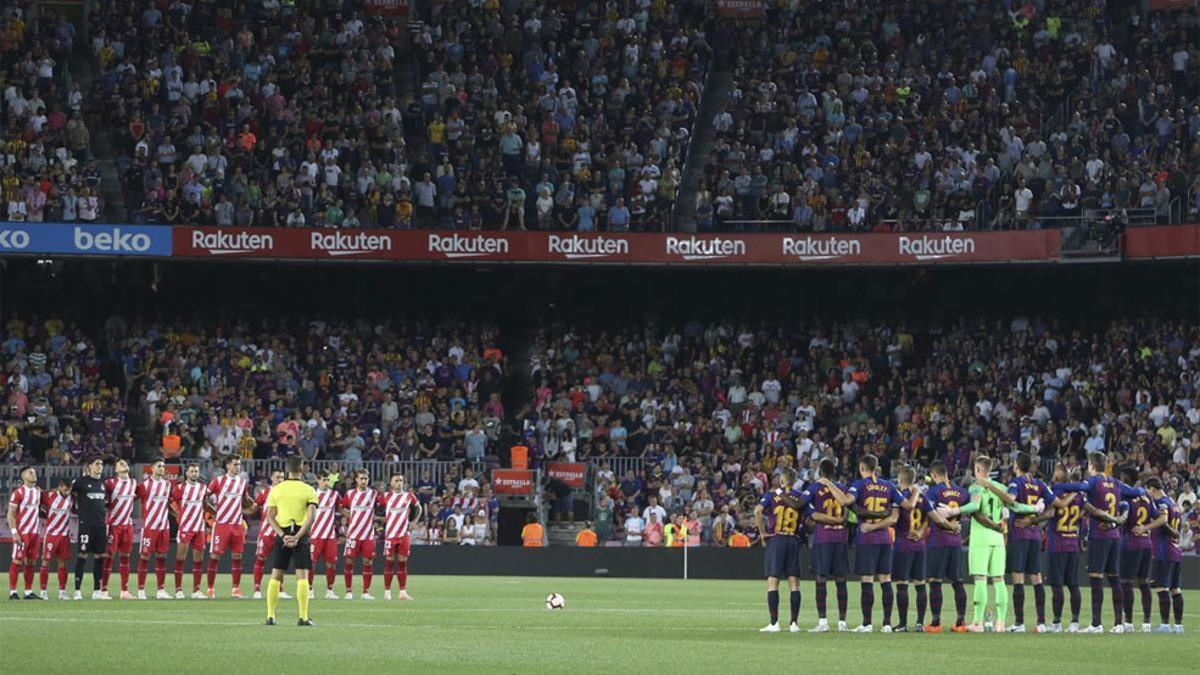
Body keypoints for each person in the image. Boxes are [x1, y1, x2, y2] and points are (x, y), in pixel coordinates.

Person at [939, 455, 1040, 632]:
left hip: (981, 538)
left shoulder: (976, 487)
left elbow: (975, 506)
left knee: (980, 579)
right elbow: (1015, 506)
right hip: (998, 538)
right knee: (999, 580)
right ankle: (1000, 623)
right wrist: (1034, 508)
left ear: (978, 470)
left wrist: (953, 510)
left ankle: (978, 622)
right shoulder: (1000, 488)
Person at [1051, 451, 1145, 632]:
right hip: (1115, 536)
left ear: (1092, 466)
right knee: (1114, 579)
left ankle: (1096, 623)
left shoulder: (1092, 482)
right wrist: (1126, 506)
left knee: (1096, 578)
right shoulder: (1116, 483)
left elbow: (1073, 487)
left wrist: (1063, 485)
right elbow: (1136, 492)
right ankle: (1119, 624)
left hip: (1099, 537)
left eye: (1088, 465)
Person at [823, 454, 901, 632]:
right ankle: (887, 624)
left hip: (867, 539)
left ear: (862, 468)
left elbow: (845, 501)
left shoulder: (859, 485)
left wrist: (828, 483)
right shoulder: (889, 486)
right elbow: (895, 517)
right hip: (885, 539)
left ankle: (867, 623)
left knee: (867, 580)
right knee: (885, 580)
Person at [977, 452, 1053, 632]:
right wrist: (1034, 520)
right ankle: (1041, 622)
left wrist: (989, 485)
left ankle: (1019, 623)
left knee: (1018, 577)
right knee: (1036, 578)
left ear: (1016, 466)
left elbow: (1009, 499)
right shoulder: (1040, 484)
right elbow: (1053, 508)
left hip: (1019, 535)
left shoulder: (1016, 483)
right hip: (1035, 536)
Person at [893, 465, 953, 632]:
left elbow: (894, 517)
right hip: (920, 546)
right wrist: (951, 527)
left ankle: (903, 624)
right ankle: (919, 623)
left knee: (902, 584)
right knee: (920, 584)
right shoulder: (924, 498)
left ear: (900, 479)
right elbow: (935, 518)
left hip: (903, 543)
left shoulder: (899, 496)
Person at [263, 456, 318, 626]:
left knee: (276, 574)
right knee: (302, 575)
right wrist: (298, 537)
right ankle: (303, 617)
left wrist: (282, 535)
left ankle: (270, 616)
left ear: (286, 470)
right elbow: (311, 517)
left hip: (283, 534)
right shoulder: (309, 490)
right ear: (302, 469)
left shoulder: (276, 490)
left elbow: (270, 517)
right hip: (300, 535)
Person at [754, 468, 804, 633]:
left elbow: (757, 511)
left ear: (781, 480)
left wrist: (762, 533)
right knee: (794, 583)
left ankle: (774, 623)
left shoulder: (771, 495)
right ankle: (794, 623)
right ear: (794, 481)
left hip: (777, 539)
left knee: (773, 581)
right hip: (793, 539)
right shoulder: (800, 496)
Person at [804, 459, 850, 632]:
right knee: (841, 580)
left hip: (823, 538)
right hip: (840, 538)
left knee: (821, 579)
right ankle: (842, 623)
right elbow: (848, 513)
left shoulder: (815, 488)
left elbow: (812, 513)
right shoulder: (843, 489)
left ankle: (823, 622)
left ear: (820, 472)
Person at [924, 461, 968, 633]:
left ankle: (935, 623)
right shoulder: (962, 492)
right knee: (957, 582)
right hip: (956, 542)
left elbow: (932, 515)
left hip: (939, 540)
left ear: (935, 475)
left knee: (935, 582)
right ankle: (961, 622)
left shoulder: (934, 491)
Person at [1043, 463, 1086, 632]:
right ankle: (1075, 623)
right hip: (1072, 544)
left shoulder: (1054, 493)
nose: (1053, 474)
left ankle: (1057, 623)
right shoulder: (1079, 496)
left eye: (1055, 471)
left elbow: (1049, 513)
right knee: (1073, 585)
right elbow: (1084, 514)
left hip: (1057, 544)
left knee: (1057, 586)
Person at [1117, 467, 1158, 633]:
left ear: (1125, 479)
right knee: (1144, 583)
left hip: (1131, 543)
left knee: (1126, 583)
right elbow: (1155, 515)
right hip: (1147, 543)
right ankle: (1147, 623)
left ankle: (1128, 622)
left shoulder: (1126, 496)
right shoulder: (1147, 496)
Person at [206, 455, 252, 598]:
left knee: (237, 556)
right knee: (215, 555)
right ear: (228, 466)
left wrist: (254, 504)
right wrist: (212, 511)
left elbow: (245, 499)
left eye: (239, 464)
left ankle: (236, 589)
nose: (238, 467)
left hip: (237, 524)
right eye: (235, 464)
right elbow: (204, 496)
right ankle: (210, 589)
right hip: (222, 525)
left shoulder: (242, 483)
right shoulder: (218, 481)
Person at [1144, 478, 1184, 633]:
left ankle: (1165, 625)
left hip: (1163, 550)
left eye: (1148, 491)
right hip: (1175, 550)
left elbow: (1163, 521)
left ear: (1152, 489)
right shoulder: (1174, 504)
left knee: (1162, 588)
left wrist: (1145, 528)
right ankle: (1179, 626)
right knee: (1176, 589)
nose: (1148, 494)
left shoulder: (1162, 503)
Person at [135, 457, 175, 600]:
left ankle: (161, 590)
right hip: (150, 527)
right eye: (159, 466)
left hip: (164, 527)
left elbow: (169, 503)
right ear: (151, 468)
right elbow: (133, 499)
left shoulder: (168, 485)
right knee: (145, 556)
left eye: (163, 466)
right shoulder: (144, 485)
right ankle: (140, 590)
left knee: (162, 557)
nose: (161, 469)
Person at [72, 456, 109, 600]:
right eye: (97, 464)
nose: (100, 466)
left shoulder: (102, 484)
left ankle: (96, 591)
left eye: (101, 464)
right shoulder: (81, 482)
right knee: (82, 556)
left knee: (100, 557)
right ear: (90, 466)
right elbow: (69, 492)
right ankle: (77, 591)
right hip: (86, 525)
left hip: (100, 525)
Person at [379, 474, 421, 601]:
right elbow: (375, 508)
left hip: (403, 534)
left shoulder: (409, 496)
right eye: (396, 480)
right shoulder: (385, 496)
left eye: (401, 480)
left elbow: (418, 508)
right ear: (391, 483)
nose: (399, 483)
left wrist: (414, 522)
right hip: (390, 535)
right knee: (389, 562)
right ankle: (387, 592)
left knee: (402, 563)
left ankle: (402, 592)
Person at [172, 463, 210, 598]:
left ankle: (196, 590)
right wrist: (178, 515)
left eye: (196, 471)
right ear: (187, 473)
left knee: (198, 559)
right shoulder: (180, 488)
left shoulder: (203, 488)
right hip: (185, 527)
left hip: (199, 527)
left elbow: (205, 504)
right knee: (180, 557)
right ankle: (178, 590)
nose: (194, 473)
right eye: (192, 471)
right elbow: (171, 501)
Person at [340, 469, 378, 599]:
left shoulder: (373, 494)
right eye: (361, 478)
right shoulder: (350, 494)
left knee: (368, 562)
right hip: (353, 534)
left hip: (368, 535)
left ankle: (366, 592)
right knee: (349, 561)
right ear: (356, 479)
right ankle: (348, 591)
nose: (364, 481)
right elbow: (341, 507)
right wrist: (351, 516)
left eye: (366, 479)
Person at [102, 458, 138, 599]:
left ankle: (124, 591)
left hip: (127, 525)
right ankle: (103, 590)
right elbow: (103, 501)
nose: (124, 465)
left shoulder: (134, 483)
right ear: (116, 470)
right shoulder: (110, 483)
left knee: (125, 557)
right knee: (109, 556)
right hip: (113, 525)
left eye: (125, 463)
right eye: (120, 464)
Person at [252, 470, 289, 599]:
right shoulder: (265, 493)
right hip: (266, 532)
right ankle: (257, 589)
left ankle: (280, 589)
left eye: (282, 477)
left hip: (281, 532)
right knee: (261, 559)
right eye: (278, 477)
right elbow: (254, 508)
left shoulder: (287, 494)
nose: (280, 479)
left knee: (281, 561)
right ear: (272, 478)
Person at [7, 465, 42, 599]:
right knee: (17, 560)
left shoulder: (39, 491)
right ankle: (13, 592)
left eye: (34, 472)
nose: (34, 474)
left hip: (35, 532)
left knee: (31, 562)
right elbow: (10, 514)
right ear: (24, 477)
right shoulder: (18, 493)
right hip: (22, 532)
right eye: (30, 472)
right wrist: (14, 532)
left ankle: (28, 592)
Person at [307, 472, 341, 600]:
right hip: (315, 535)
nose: (326, 482)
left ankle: (329, 590)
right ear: (318, 480)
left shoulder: (334, 495)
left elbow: (340, 508)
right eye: (324, 479)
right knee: (311, 563)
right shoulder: (312, 494)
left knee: (331, 563)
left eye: (328, 480)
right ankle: (310, 589)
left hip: (330, 535)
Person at [39, 479, 74, 599]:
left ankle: (62, 592)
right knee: (46, 561)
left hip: (64, 535)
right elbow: (38, 499)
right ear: (60, 487)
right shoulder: (49, 495)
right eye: (65, 489)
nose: (67, 492)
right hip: (51, 535)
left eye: (69, 490)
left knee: (63, 563)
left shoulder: (71, 497)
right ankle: (43, 591)